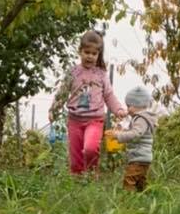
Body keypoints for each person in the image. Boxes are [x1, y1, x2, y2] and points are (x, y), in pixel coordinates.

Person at [49, 30, 126, 177]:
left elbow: (109, 95)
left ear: (98, 55)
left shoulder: (101, 75)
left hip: (94, 120)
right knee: (76, 158)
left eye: (94, 54)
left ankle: (91, 175)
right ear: (80, 51)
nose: (90, 56)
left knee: (90, 148)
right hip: (74, 121)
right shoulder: (73, 73)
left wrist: (118, 110)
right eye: (87, 52)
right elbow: (63, 93)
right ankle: (78, 184)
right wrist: (53, 109)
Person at [112, 85, 159, 191]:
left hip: (139, 157)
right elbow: (137, 132)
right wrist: (123, 132)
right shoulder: (143, 119)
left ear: (136, 105)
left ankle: (128, 200)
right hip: (143, 157)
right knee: (140, 182)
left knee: (129, 179)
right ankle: (146, 197)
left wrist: (118, 136)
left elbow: (136, 134)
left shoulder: (141, 119)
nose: (127, 109)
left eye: (128, 106)